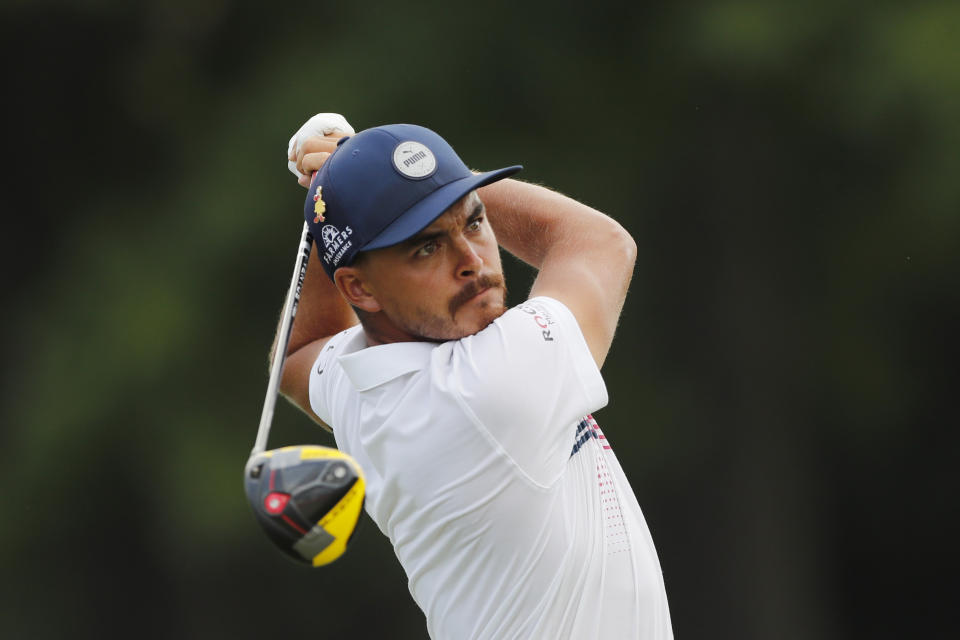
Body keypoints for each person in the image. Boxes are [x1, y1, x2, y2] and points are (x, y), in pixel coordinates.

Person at [278, 113, 673, 639]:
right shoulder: (489, 387)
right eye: (426, 247)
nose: (471, 261)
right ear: (359, 290)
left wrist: (338, 196)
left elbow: (301, 350)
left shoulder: (360, 383)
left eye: (474, 220)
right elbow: (601, 243)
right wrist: (443, 178)